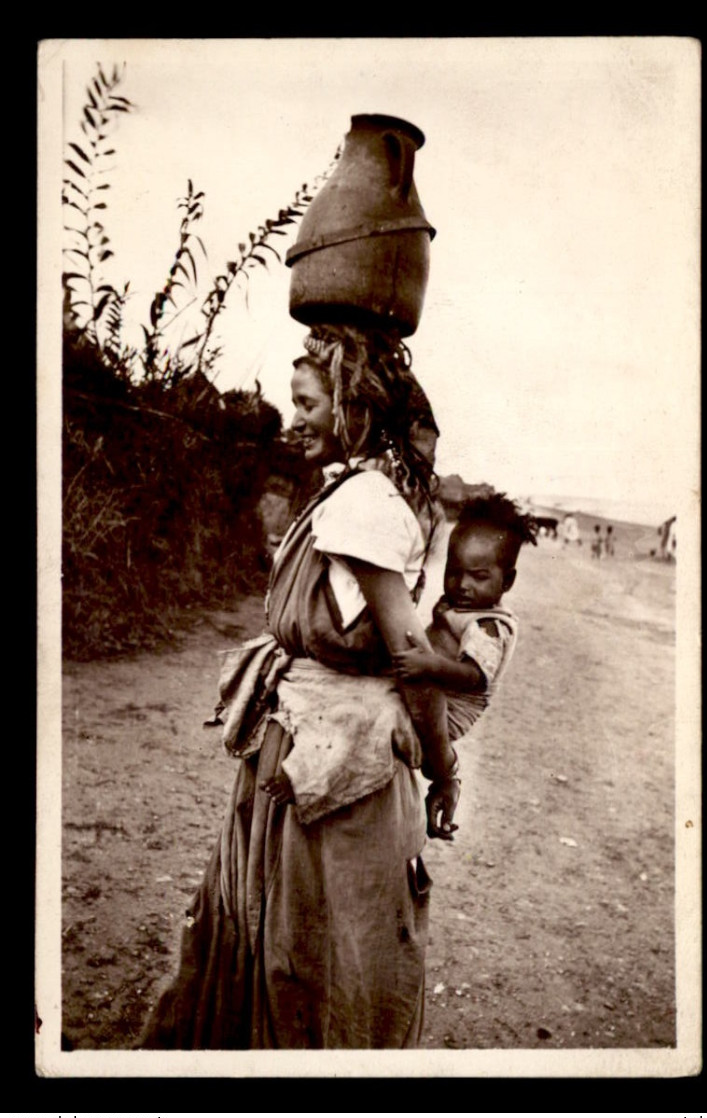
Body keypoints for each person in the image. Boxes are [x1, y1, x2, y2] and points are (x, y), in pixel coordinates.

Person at [141, 325, 459, 1050]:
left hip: (336, 768)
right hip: (305, 747)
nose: (297, 417)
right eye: (294, 401)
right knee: (291, 939)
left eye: (309, 401)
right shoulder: (348, 491)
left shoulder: (363, 501)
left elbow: (412, 657)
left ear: (354, 402)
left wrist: (444, 767)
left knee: (316, 950)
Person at [392, 492, 536, 742]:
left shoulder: (488, 625)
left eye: (479, 577)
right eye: (453, 572)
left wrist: (430, 665)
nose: (462, 585)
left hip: (448, 715)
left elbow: (474, 676)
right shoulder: (463, 606)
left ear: (507, 581)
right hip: (429, 699)